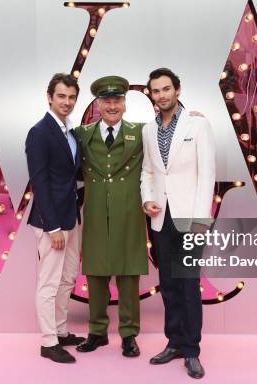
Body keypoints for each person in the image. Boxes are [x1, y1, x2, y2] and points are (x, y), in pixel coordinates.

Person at [141, 68, 216, 379]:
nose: (162, 95)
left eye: (166, 89)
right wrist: (146, 199)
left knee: (188, 285)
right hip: (160, 219)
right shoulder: (148, 130)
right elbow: (148, 171)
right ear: (151, 95)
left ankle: (191, 350)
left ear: (178, 90)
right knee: (169, 285)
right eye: (156, 91)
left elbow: (207, 173)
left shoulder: (198, 124)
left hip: (189, 220)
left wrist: (200, 219)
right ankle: (173, 342)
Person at [74, 76, 148, 358]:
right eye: (106, 100)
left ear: (125, 104)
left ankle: (129, 334)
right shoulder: (82, 133)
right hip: (94, 212)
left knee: (129, 274)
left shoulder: (141, 132)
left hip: (129, 213)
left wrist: (190, 119)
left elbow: (171, 132)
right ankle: (97, 332)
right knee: (95, 272)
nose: (112, 105)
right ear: (98, 104)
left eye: (117, 100)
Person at [25, 73, 85, 364]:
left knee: (67, 278)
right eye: (61, 96)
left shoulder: (70, 131)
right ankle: (49, 343)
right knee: (49, 283)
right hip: (52, 223)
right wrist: (52, 227)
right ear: (50, 97)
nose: (67, 102)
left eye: (72, 97)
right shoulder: (40, 132)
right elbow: (40, 183)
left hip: (72, 216)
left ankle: (60, 331)